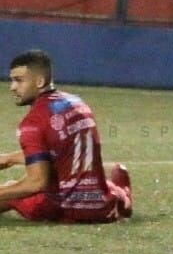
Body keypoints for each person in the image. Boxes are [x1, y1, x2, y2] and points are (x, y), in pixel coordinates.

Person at [1, 50, 132, 222]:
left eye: (18, 80)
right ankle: (124, 200)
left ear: (39, 81)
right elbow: (60, 151)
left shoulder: (32, 123)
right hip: (101, 205)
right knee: (116, 171)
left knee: (12, 188)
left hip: (64, 208)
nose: (12, 87)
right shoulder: (77, 103)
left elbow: (36, 182)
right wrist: (9, 159)